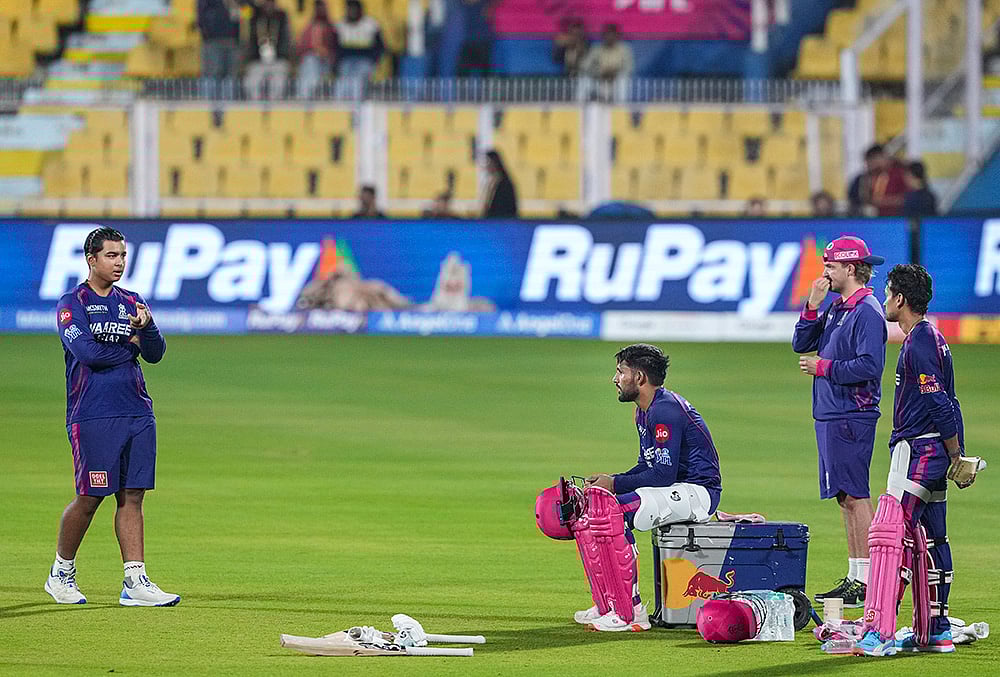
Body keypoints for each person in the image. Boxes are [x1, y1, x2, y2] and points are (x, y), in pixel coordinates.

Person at [46, 227, 179, 607]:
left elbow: (155, 353)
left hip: (137, 409)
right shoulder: (73, 302)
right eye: (111, 256)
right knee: (90, 496)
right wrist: (130, 346)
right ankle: (61, 573)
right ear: (92, 259)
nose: (119, 262)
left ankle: (135, 582)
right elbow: (88, 353)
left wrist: (146, 329)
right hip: (92, 413)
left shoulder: (132, 301)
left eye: (122, 255)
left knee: (133, 496)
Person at [854, 263, 968, 656]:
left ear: (900, 299)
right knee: (935, 537)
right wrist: (955, 452)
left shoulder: (918, 342)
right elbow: (951, 400)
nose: (885, 301)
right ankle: (936, 630)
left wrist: (955, 452)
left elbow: (937, 399)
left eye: (887, 294)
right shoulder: (933, 338)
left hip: (917, 449)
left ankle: (878, 631)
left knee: (889, 533)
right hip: (935, 452)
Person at [572, 344, 723, 631]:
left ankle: (631, 612)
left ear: (639, 377)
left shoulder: (665, 410)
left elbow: (663, 475)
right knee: (597, 508)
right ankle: (609, 604)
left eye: (620, 372)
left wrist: (614, 484)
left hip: (699, 492)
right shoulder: (645, 410)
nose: (614, 379)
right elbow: (647, 466)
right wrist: (609, 482)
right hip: (678, 489)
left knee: (612, 514)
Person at [792, 235, 888, 610]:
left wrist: (824, 367)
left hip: (852, 412)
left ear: (851, 268)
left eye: (831, 266)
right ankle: (855, 575)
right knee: (845, 497)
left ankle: (864, 580)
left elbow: (870, 366)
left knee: (856, 495)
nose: (825, 272)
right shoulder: (837, 306)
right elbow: (801, 343)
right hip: (832, 411)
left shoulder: (866, 311)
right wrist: (812, 306)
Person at [335, 0, 384, 99]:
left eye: (354, 9)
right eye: (350, 9)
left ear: (360, 10)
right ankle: (339, 107)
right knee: (343, 80)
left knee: (357, 79)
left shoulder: (371, 24)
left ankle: (355, 105)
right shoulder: (340, 25)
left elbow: (380, 46)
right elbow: (335, 47)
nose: (352, 11)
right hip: (346, 61)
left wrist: (373, 60)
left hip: (365, 60)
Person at [244, 0, 292, 100]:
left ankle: (275, 103)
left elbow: (286, 40)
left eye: (271, 2)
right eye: (266, 2)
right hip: (258, 60)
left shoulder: (281, 17)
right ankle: (255, 104)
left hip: (278, 59)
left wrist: (282, 55)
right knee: (251, 80)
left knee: (279, 80)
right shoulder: (255, 17)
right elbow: (250, 39)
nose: (268, 5)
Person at [197, 0, 243, 98]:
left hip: (233, 41)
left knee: (231, 75)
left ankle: (229, 107)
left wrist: (237, 6)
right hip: (212, 41)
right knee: (211, 74)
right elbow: (201, 16)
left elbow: (248, 11)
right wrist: (207, 35)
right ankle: (207, 106)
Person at [578, 23, 633, 102]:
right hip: (599, 81)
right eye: (607, 35)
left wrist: (615, 72)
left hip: (615, 82)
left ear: (618, 36)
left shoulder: (624, 49)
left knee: (622, 81)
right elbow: (584, 66)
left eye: (612, 35)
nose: (610, 37)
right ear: (603, 36)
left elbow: (629, 67)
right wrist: (599, 72)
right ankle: (578, 107)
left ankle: (621, 108)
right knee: (584, 80)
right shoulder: (596, 49)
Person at [296, 0, 338, 99]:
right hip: (310, 60)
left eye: (322, 8)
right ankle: (305, 97)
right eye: (318, 8)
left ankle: (306, 96)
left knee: (312, 64)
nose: (320, 10)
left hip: (327, 62)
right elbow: (301, 47)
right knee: (310, 63)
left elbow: (335, 48)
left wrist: (326, 54)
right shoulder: (309, 27)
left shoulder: (332, 27)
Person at [482, 149, 517, 218]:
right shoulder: (492, 183)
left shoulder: (505, 184)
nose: (486, 166)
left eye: (488, 162)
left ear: (495, 163)